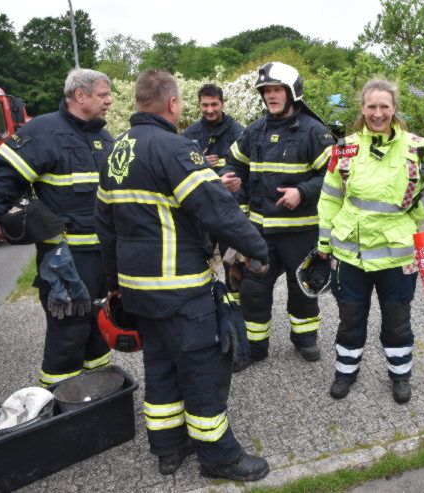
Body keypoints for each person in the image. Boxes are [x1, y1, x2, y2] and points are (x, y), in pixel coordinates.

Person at [95, 69, 270, 481]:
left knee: (160, 367)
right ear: (173, 104)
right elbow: (215, 207)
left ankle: (169, 448)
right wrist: (257, 250)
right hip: (179, 289)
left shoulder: (115, 152)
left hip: (138, 291)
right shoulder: (175, 148)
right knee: (203, 370)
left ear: (138, 101)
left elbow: (104, 228)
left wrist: (115, 284)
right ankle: (219, 457)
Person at [316, 78, 424, 403]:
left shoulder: (417, 147)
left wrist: (416, 213)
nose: (378, 113)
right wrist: (324, 245)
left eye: (385, 106)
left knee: (397, 320)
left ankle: (400, 375)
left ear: (394, 108)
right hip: (351, 255)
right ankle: (345, 371)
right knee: (350, 317)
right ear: (363, 109)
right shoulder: (344, 149)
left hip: (397, 257)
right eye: (372, 106)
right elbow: (329, 199)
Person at [0, 68, 114, 387]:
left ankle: (99, 393)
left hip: (103, 259)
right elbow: (4, 183)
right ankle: (62, 405)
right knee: (68, 334)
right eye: (103, 95)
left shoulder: (103, 137)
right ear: (80, 96)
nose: (109, 101)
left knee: (97, 327)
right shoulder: (42, 132)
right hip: (65, 260)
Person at [221, 62, 335, 365]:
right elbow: (233, 162)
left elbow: (336, 178)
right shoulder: (255, 130)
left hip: (301, 232)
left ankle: (305, 338)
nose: (270, 96)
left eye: (276, 90)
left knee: (303, 287)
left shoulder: (315, 132)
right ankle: (255, 348)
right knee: (254, 291)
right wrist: (230, 177)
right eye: (266, 91)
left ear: (291, 92)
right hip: (260, 232)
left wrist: (304, 192)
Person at [183, 84, 247, 214]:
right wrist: (199, 162)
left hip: (234, 207)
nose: (210, 110)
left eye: (214, 104)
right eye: (205, 105)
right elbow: (180, 174)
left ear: (222, 104)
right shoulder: (189, 134)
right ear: (199, 105)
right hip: (202, 208)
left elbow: (249, 173)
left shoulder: (241, 133)